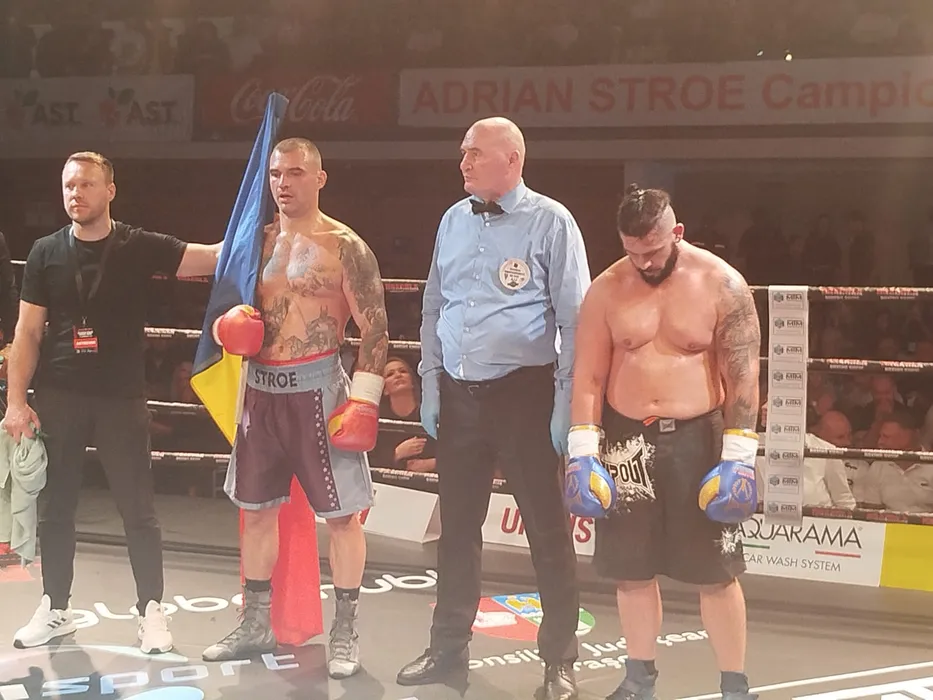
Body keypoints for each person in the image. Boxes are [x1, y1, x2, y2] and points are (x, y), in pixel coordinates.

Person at [396, 117, 590, 700]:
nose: (463, 162)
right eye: (463, 152)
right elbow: (434, 305)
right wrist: (430, 382)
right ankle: (447, 646)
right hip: (459, 394)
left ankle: (559, 659)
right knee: (456, 528)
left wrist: (565, 400)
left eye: (475, 153)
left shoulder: (552, 221)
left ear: (512, 159)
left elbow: (575, 319)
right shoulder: (453, 219)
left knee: (547, 530)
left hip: (525, 394)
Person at [4, 151, 224, 652]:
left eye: (86, 184)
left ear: (110, 190)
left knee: (137, 507)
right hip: (59, 394)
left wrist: (261, 229)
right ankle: (55, 606)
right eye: (68, 185)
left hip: (121, 397)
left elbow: (210, 257)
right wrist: (16, 401)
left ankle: (151, 609)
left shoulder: (136, 245)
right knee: (56, 508)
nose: (75, 193)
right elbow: (28, 331)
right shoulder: (45, 251)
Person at [202, 137, 388, 680]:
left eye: (296, 172)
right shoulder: (254, 244)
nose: (284, 183)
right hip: (260, 391)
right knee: (258, 512)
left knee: (343, 517)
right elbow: (223, 304)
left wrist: (364, 400)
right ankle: (256, 623)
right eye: (276, 174)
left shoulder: (345, 246)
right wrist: (226, 327)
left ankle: (345, 631)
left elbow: (375, 327)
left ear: (320, 178)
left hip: (319, 391)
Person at [565, 184, 761, 700]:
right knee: (630, 571)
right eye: (633, 252)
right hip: (626, 442)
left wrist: (740, 457)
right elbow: (588, 376)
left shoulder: (722, 283)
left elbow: (743, 376)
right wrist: (583, 452)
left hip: (699, 439)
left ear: (677, 232)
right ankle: (638, 680)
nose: (644, 262)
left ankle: (735, 686)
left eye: (652, 250)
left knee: (716, 572)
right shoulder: (607, 289)